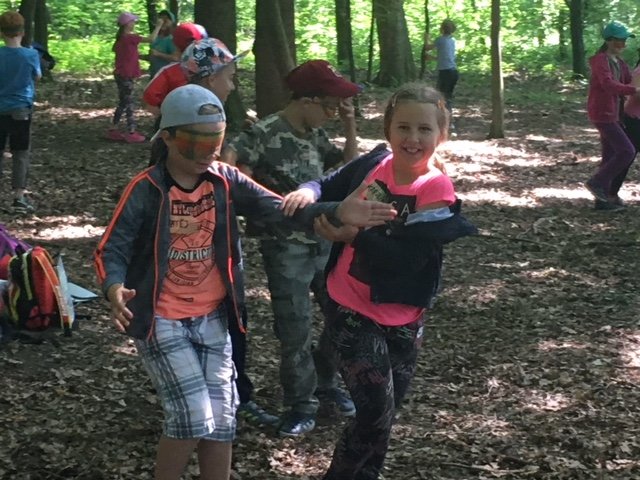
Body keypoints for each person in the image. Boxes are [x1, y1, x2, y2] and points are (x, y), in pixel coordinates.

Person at [94, 84, 396, 480]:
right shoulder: (146, 189)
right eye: (196, 143)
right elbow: (112, 248)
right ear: (167, 138)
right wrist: (114, 287)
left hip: (214, 318)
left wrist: (339, 210)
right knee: (192, 417)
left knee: (221, 420)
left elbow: (280, 209)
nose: (208, 153)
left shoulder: (224, 180)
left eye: (216, 142)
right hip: (161, 318)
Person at [282, 84, 476, 479]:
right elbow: (331, 182)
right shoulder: (375, 164)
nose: (413, 138)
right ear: (388, 129)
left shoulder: (435, 188)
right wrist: (308, 190)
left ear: (442, 134)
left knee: (384, 415)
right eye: (403, 127)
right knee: (374, 413)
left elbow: (409, 261)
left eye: (424, 129)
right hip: (350, 306)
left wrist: (353, 236)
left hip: (404, 313)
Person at [223, 59, 360, 436]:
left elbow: (349, 168)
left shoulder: (316, 135)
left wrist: (349, 124)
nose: (332, 114)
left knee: (342, 316)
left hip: (324, 240)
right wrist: (249, 203)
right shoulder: (266, 131)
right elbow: (230, 164)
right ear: (306, 100)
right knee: (294, 327)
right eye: (329, 106)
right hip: (284, 247)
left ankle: (324, 382)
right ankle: (301, 404)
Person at [179, 37, 277, 426]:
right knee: (222, 320)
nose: (233, 84)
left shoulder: (207, 115)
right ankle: (225, 400)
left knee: (232, 318)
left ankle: (231, 395)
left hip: (218, 245)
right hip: (201, 250)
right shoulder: (189, 124)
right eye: (230, 76)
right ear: (211, 77)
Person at [585, 21, 640, 211]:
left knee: (609, 156)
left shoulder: (620, 63)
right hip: (603, 113)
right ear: (609, 40)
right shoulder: (600, 60)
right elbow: (609, 85)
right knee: (627, 151)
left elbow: (628, 80)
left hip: (615, 114)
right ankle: (596, 182)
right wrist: (634, 90)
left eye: (624, 40)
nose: (622, 44)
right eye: (619, 40)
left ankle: (602, 200)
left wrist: (633, 87)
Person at [0, 10, 41, 214]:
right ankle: (19, 197)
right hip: (21, 108)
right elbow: (37, 76)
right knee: (20, 153)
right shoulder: (31, 55)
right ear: (22, 32)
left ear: (1, 33)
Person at [107, 12, 162, 143]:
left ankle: (113, 129)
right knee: (129, 103)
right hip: (126, 75)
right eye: (132, 22)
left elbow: (128, 55)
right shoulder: (130, 37)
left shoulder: (121, 39)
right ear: (127, 24)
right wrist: (158, 26)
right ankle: (131, 132)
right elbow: (151, 39)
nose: (134, 24)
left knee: (123, 102)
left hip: (121, 74)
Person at [142, 22, 208, 116]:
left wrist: (167, 117)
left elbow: (149, 99)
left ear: (175, 44)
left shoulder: (169, 72)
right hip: (207, 121)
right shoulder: (214, 69)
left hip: (175, 121)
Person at [425, 19, 458, 124]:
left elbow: (427, 48)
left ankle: (445, 120)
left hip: (445, 73)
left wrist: (426, 38)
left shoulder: (440, 40)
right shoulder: (452, 41)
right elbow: (445, 57)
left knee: (441, 96)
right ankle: (447, 119)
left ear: (442, 29)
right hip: (453, 72)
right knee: (447, 96)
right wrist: (432, 58)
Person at [148, 9, 177, 78]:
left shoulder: (171, 39)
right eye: (161, 19)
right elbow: (152, 56)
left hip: (166, 76)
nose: (163, 22)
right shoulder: (155, 38)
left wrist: (158, 54)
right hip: (154, 75)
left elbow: (176, 58)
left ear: (172, 23)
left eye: (166, 20)